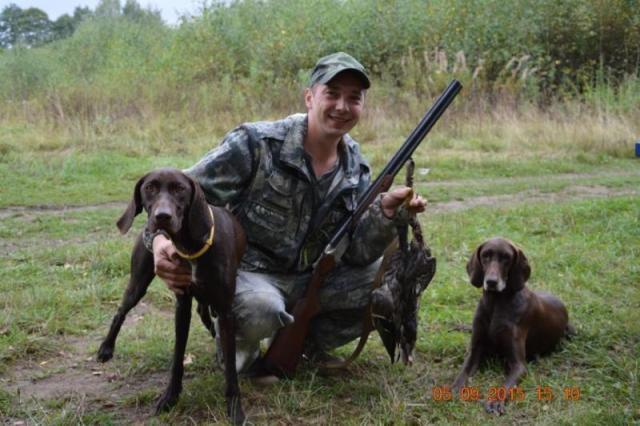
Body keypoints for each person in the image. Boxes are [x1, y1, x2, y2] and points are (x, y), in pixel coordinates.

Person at [145, 52, 426, 378]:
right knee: (263, 309)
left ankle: (304, 344)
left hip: (313, 277)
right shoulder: (256, 144)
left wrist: (386, 211)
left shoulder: (356, 167)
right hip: (250, 275)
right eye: (332, 94)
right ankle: (237, 349)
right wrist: (159, 242)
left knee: (394, 280)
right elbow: (176, 193)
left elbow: (358, 252)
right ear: (309, 97)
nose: (342, 106)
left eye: (354, 98)